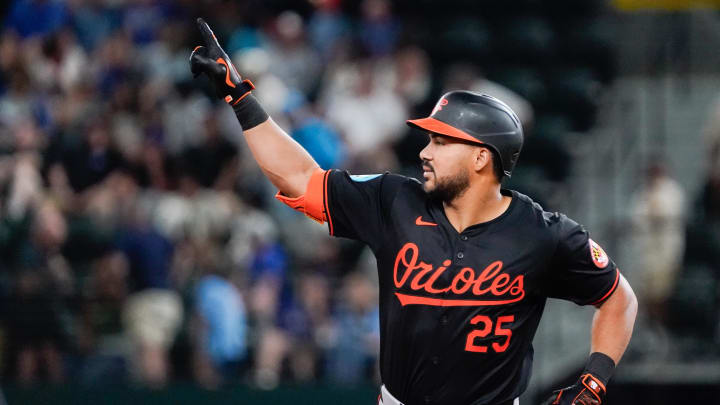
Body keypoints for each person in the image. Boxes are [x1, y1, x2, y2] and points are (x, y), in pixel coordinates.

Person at [189, 19, 637, 405]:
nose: (425, 151)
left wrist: (593, 381)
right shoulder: (394, 201)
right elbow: (298, 178)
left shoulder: (542, 233)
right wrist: (239, 97)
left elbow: (618, 298)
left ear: (481, 157)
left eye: (441, 142)